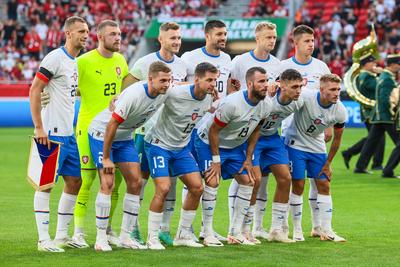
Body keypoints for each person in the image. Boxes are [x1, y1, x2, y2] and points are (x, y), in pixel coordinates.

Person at [88, 62, 172, 251]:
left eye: (169, 80)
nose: (167, 84)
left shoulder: (164, 91)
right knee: (107, 183)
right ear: (150, 79)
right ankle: (101, 239)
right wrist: (107, 158)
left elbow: (183, 87)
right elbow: (111, 125)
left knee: (135, 182)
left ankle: (126, 236)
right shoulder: (135, 95)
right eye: (163, 80)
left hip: (125, 137)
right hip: (102, 134)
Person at [29, 16, 89, 252]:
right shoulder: (55, 57)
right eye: (81, 31)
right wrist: (39, 127)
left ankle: (62, 236)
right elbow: (35, 90)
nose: (85, 35)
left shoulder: (77, 62)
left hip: (68, 134)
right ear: (68, 33)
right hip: (50, 132)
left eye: (87, 31)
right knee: (45, 185)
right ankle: (44, 240)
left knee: (75, 181)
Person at [144, 62, 218, 250]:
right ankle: (152, 237)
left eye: (215, 80)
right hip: (158, 145)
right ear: (197, 79)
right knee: (164, 188)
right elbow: (157, 89)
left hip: (181, 148)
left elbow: (214, 109)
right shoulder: (175, 93)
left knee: (197, 187)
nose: (213, 84)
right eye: (209, 80)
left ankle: (183, 234)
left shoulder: (209, 99)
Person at [195, 67, 271, 246]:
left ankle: (235, 232)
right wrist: (216, 161)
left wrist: (248, 159)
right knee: (212, 182)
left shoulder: (266, 104)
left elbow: (256, 130)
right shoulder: (232, 103)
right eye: (261, 82)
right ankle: (207, 233)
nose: (266, 85)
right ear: (250, 84)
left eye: (267, 81)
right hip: (208, 142)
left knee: (249, 182)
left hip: (234, 146)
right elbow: (214, 130)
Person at [73, 20, 133, 247]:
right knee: (86, 179)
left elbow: (123, 90)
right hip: (87, 128)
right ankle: (78, 232)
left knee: (114, 181)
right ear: (100, 37)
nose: (118, 37)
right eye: (113, 34)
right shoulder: (84, 61)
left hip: (113, 129)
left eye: (119, 33)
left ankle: (107, 228)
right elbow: (67, 84)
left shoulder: (120, 60)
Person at [129, 22, 187, 246]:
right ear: (160, 40)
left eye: (179, 38)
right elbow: (127, 89)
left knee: (170, 182)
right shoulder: (145, 63)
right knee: (140, 180)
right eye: (172, 38)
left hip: (171, 133)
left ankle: (164, 229)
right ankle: (132, 228)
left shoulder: (183, 65)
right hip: (146, 131)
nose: (177, 41)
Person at [181, 19, 237, 242]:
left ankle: (206, 228)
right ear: (207, 35)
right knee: (192, 178)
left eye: (225, 34)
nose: (223, 38)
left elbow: (226, 87)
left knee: (210, 178)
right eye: (219, 34)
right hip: (192, 126)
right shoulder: (190, 58)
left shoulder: (227, 59)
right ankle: (187, 228)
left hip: (215, 125)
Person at [229, 21, 281, 239]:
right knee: (244, 176)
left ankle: (250, 227)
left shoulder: (277, 64)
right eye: (268, 37)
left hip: (262, 124)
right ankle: (237, 226)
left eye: (274, 37)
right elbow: (232, 88)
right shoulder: (240, 61)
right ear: (257, 38)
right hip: (240, 126)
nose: (272, 40)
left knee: (256, 179)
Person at [280, 25, 332, 237]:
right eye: (306, 41)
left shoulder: (321, 67)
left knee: (319, 179)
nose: (311, 44)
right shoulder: (283, 67)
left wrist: (328, 125)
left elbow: (327, 96)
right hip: (291, 133)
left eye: (313, 41)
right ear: (295, 43)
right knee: (296, 181)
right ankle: (295, 228)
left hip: (316, 133)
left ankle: (319, 226)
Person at [285, 74, 348, 242]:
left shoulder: (340, 110)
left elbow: (337, 140)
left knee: (324, 184)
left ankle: (326, 230)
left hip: (317, 147)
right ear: (321, 90)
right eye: (332, 90)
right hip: (295, 144)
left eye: (338, 89)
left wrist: (328, 163)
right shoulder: (306, 96)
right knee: (298, 184)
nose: (337, 93)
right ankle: (297, 229)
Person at [355, 54, 400, 178]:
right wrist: (393, 114)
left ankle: (360, 166)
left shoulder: (384, 76)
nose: (399, 66)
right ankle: (388, 171)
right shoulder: (387, 78)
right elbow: (385, 99)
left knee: (372, 142)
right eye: (398, 63)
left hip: (378, 116)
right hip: (387, 117)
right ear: (391, 65)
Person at [342, 54, 385, 170]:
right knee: (377, 138)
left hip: (371, 111)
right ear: (365, 65)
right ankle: (376, 163)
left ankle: (350, 153)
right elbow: (379, 87)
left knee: (374, 137)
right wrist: (382, 74)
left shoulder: (366, 75)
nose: (374, 64)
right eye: (372, 62)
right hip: (370, 112)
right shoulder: (365, 76)